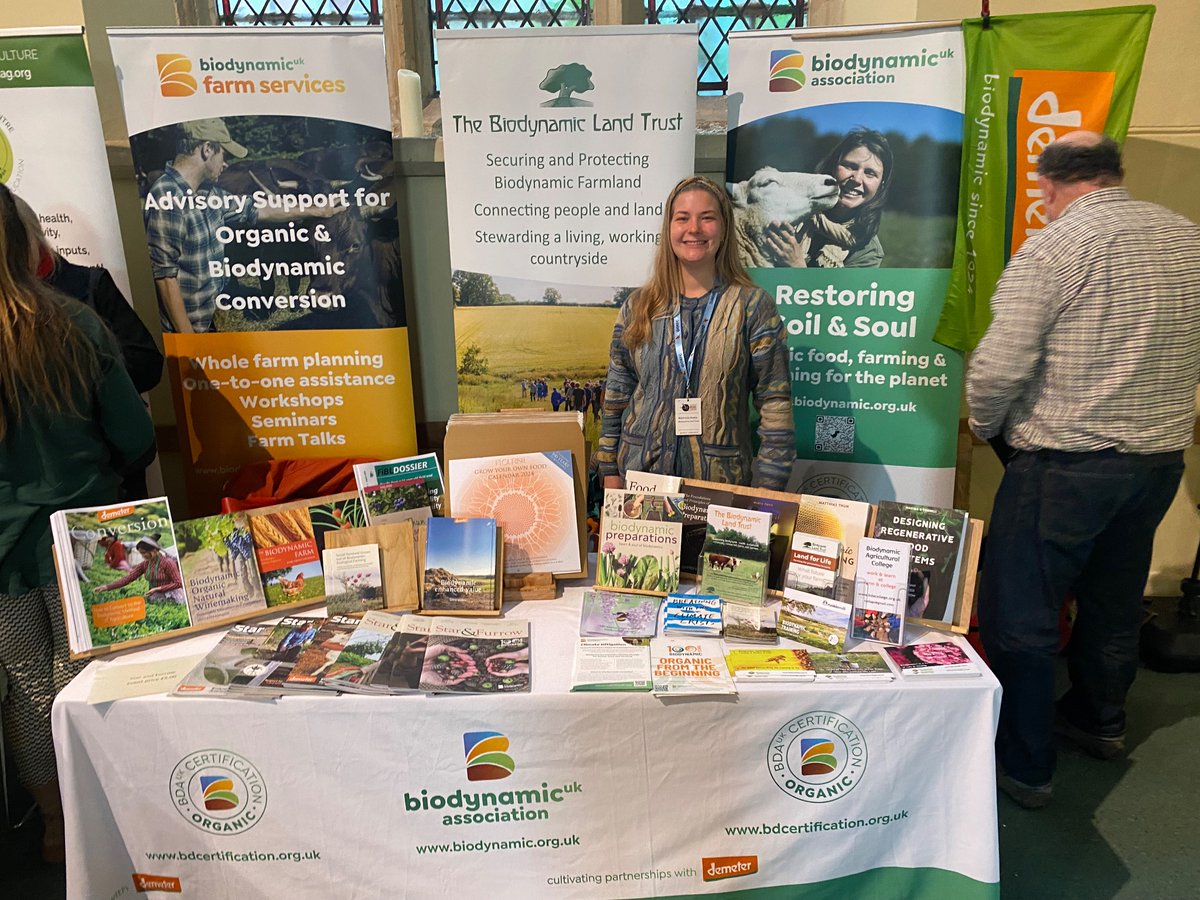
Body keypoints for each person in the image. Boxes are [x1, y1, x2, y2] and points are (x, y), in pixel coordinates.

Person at [967, 131, 1200, 809]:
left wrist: (986, 427)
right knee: (1114, 600)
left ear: (1047, 184)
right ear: (1114, 173)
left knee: (1022, 615)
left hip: (1066, 465)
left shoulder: (1054, 248)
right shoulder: (1185, 238)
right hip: (1156, 463)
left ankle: (1026, 765)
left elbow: (997, 368)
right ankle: (1101, 722)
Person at [0, 182, 155, 863]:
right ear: (24, 241)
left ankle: (59, 829)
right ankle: (118, 824)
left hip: (4, 556)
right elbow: (135, 438)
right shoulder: (74, 323)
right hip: (90, 542)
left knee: (30, 687)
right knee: (99, 681)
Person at [597, 175, 795, 489]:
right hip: (641, 485)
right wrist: (609, 470)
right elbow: (616, 397)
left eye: (707, 218)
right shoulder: (638, 307)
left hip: (718, 489)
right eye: (682, 218)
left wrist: (769, 490)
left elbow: (775, 403)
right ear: (669, 228)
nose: (694, 229)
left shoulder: (753, 306)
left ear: (724, 227)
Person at [144, 117, 340, 334]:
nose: (225, 164)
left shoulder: (209, 194)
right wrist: (189, 343)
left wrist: (318, 210)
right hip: (185, 330)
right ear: (207, 149)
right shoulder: (168, 196)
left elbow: (260, 209)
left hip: (207, 322)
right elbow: (164, 278)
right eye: (224, 154)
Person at [762, 127, 894, 268]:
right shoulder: (789, 210)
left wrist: (796, 265)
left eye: (870, 173)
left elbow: (843, 291)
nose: (857, 179)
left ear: (881, 185)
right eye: (850, 166)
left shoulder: (868, 253)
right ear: (833, 167)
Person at [95, 535, 186, 606]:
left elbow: (178, 583)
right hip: (155, 595)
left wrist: (158, 588)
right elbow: (128, 578)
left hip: (172, 596)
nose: (143, 556)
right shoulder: (145, 564)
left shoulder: (168, 563)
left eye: (144, 553)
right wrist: (107, 587)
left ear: (154, 550)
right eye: (141, 553)